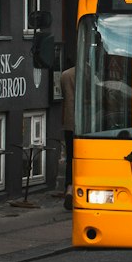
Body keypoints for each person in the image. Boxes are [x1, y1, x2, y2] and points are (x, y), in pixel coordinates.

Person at [60, 63, 76, 210]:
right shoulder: (91, 75)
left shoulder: (65, 75)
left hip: (69, 123)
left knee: (70, 158)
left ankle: (69, 189)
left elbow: (64, 97)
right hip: (86, 126)